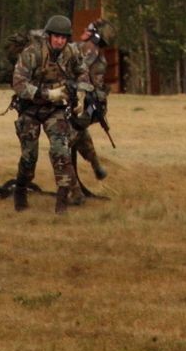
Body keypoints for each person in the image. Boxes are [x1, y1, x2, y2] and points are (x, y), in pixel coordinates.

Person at [11, 14, 92, 214]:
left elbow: (83, 72)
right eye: (56, 37)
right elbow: (18, 84)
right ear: (49, 36)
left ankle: (62, 202)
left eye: (63, 38)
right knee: (29, 157)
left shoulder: (72, 52)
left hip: (55, 110)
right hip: (30, 108)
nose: (59, 41)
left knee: (61, 152)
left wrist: (81, 93)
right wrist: (47, 93)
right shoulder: (32, 53)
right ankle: (20, 190)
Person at [71, 18, 115, 182]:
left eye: (88, 30)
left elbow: (96, 91)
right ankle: (95, 166)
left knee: (76, 131)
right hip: (70, 98)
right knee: (77, 133)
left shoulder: (96, 60)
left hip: (83, 103)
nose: (84, 31)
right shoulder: (76, 48)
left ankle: (74, 182)